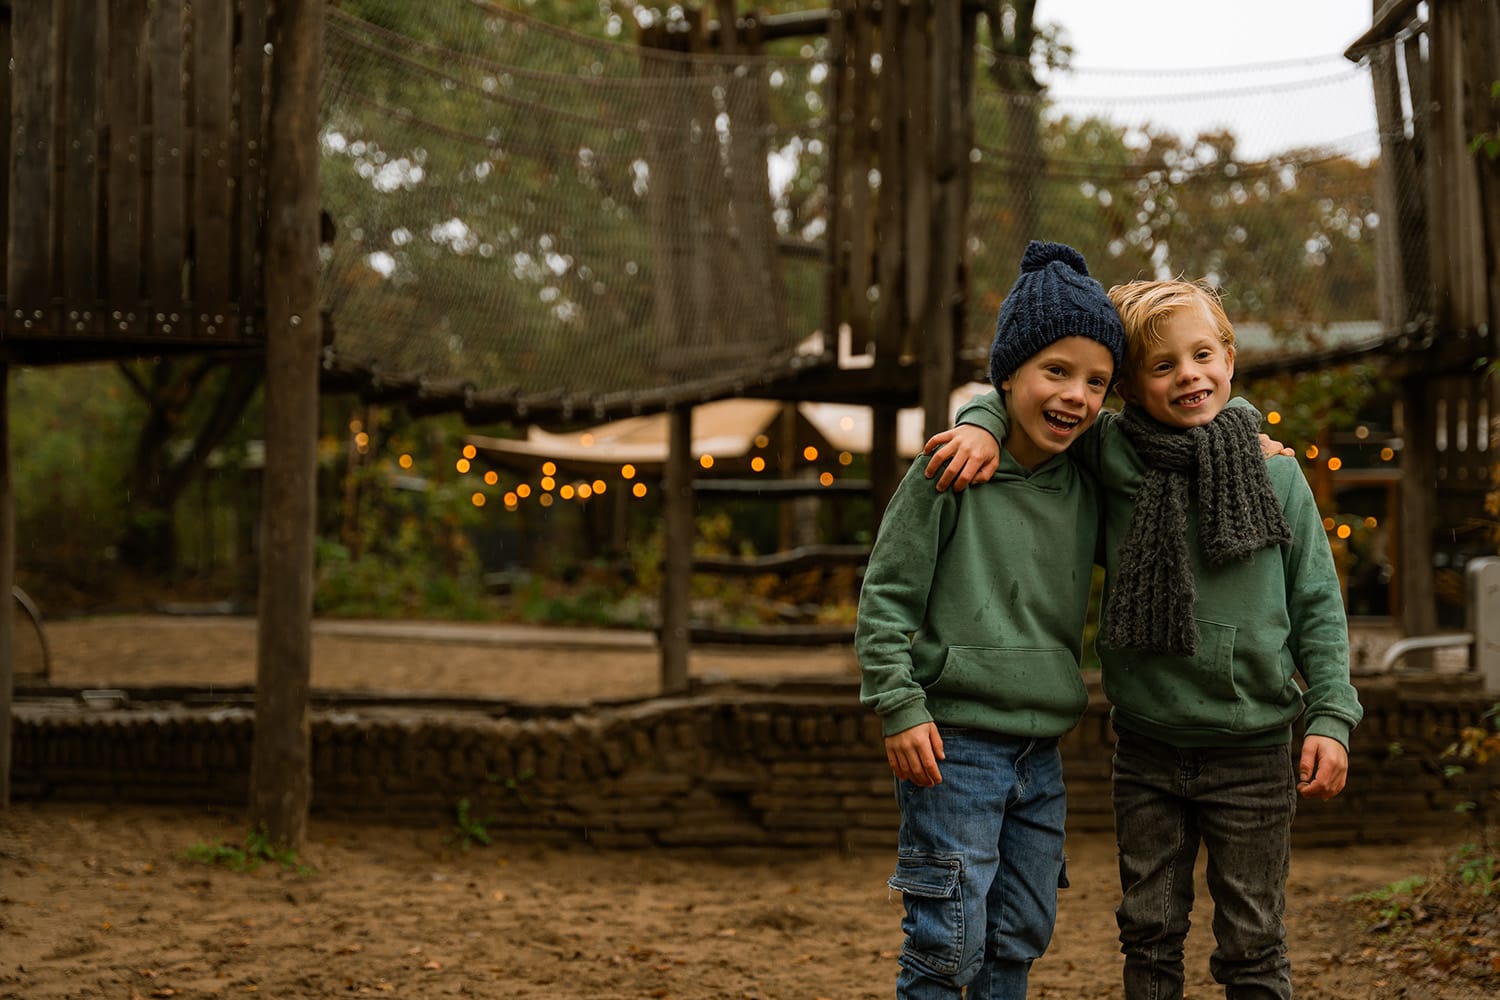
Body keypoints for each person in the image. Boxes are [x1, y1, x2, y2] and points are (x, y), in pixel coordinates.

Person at [921, 277, 1363, 999]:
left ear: (1228, 359)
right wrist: (977, 421)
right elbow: (1032, 405)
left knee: (1253, 939)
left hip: (1253, 749)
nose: (1188, 375)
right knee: (1149, 931)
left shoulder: (1273, 475)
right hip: (1149, 748)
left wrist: (1333, 716)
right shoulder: (1110, 456)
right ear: (1127, 387)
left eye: (1201, 356)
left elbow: (1317, 603)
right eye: (1162, 366)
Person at [858, 240, 1124, 999]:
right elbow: (886, 596)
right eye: (1056, 371)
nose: (1075, 395)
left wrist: (1244, 429)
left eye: (1097, 381)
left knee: (1019, 933)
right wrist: (899, 704)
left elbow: (1169, 432)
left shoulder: (1086, 480)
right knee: (949, 941)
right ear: (1008, 372)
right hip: (954, 746)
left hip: (1042, 751)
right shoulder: (950, 469)